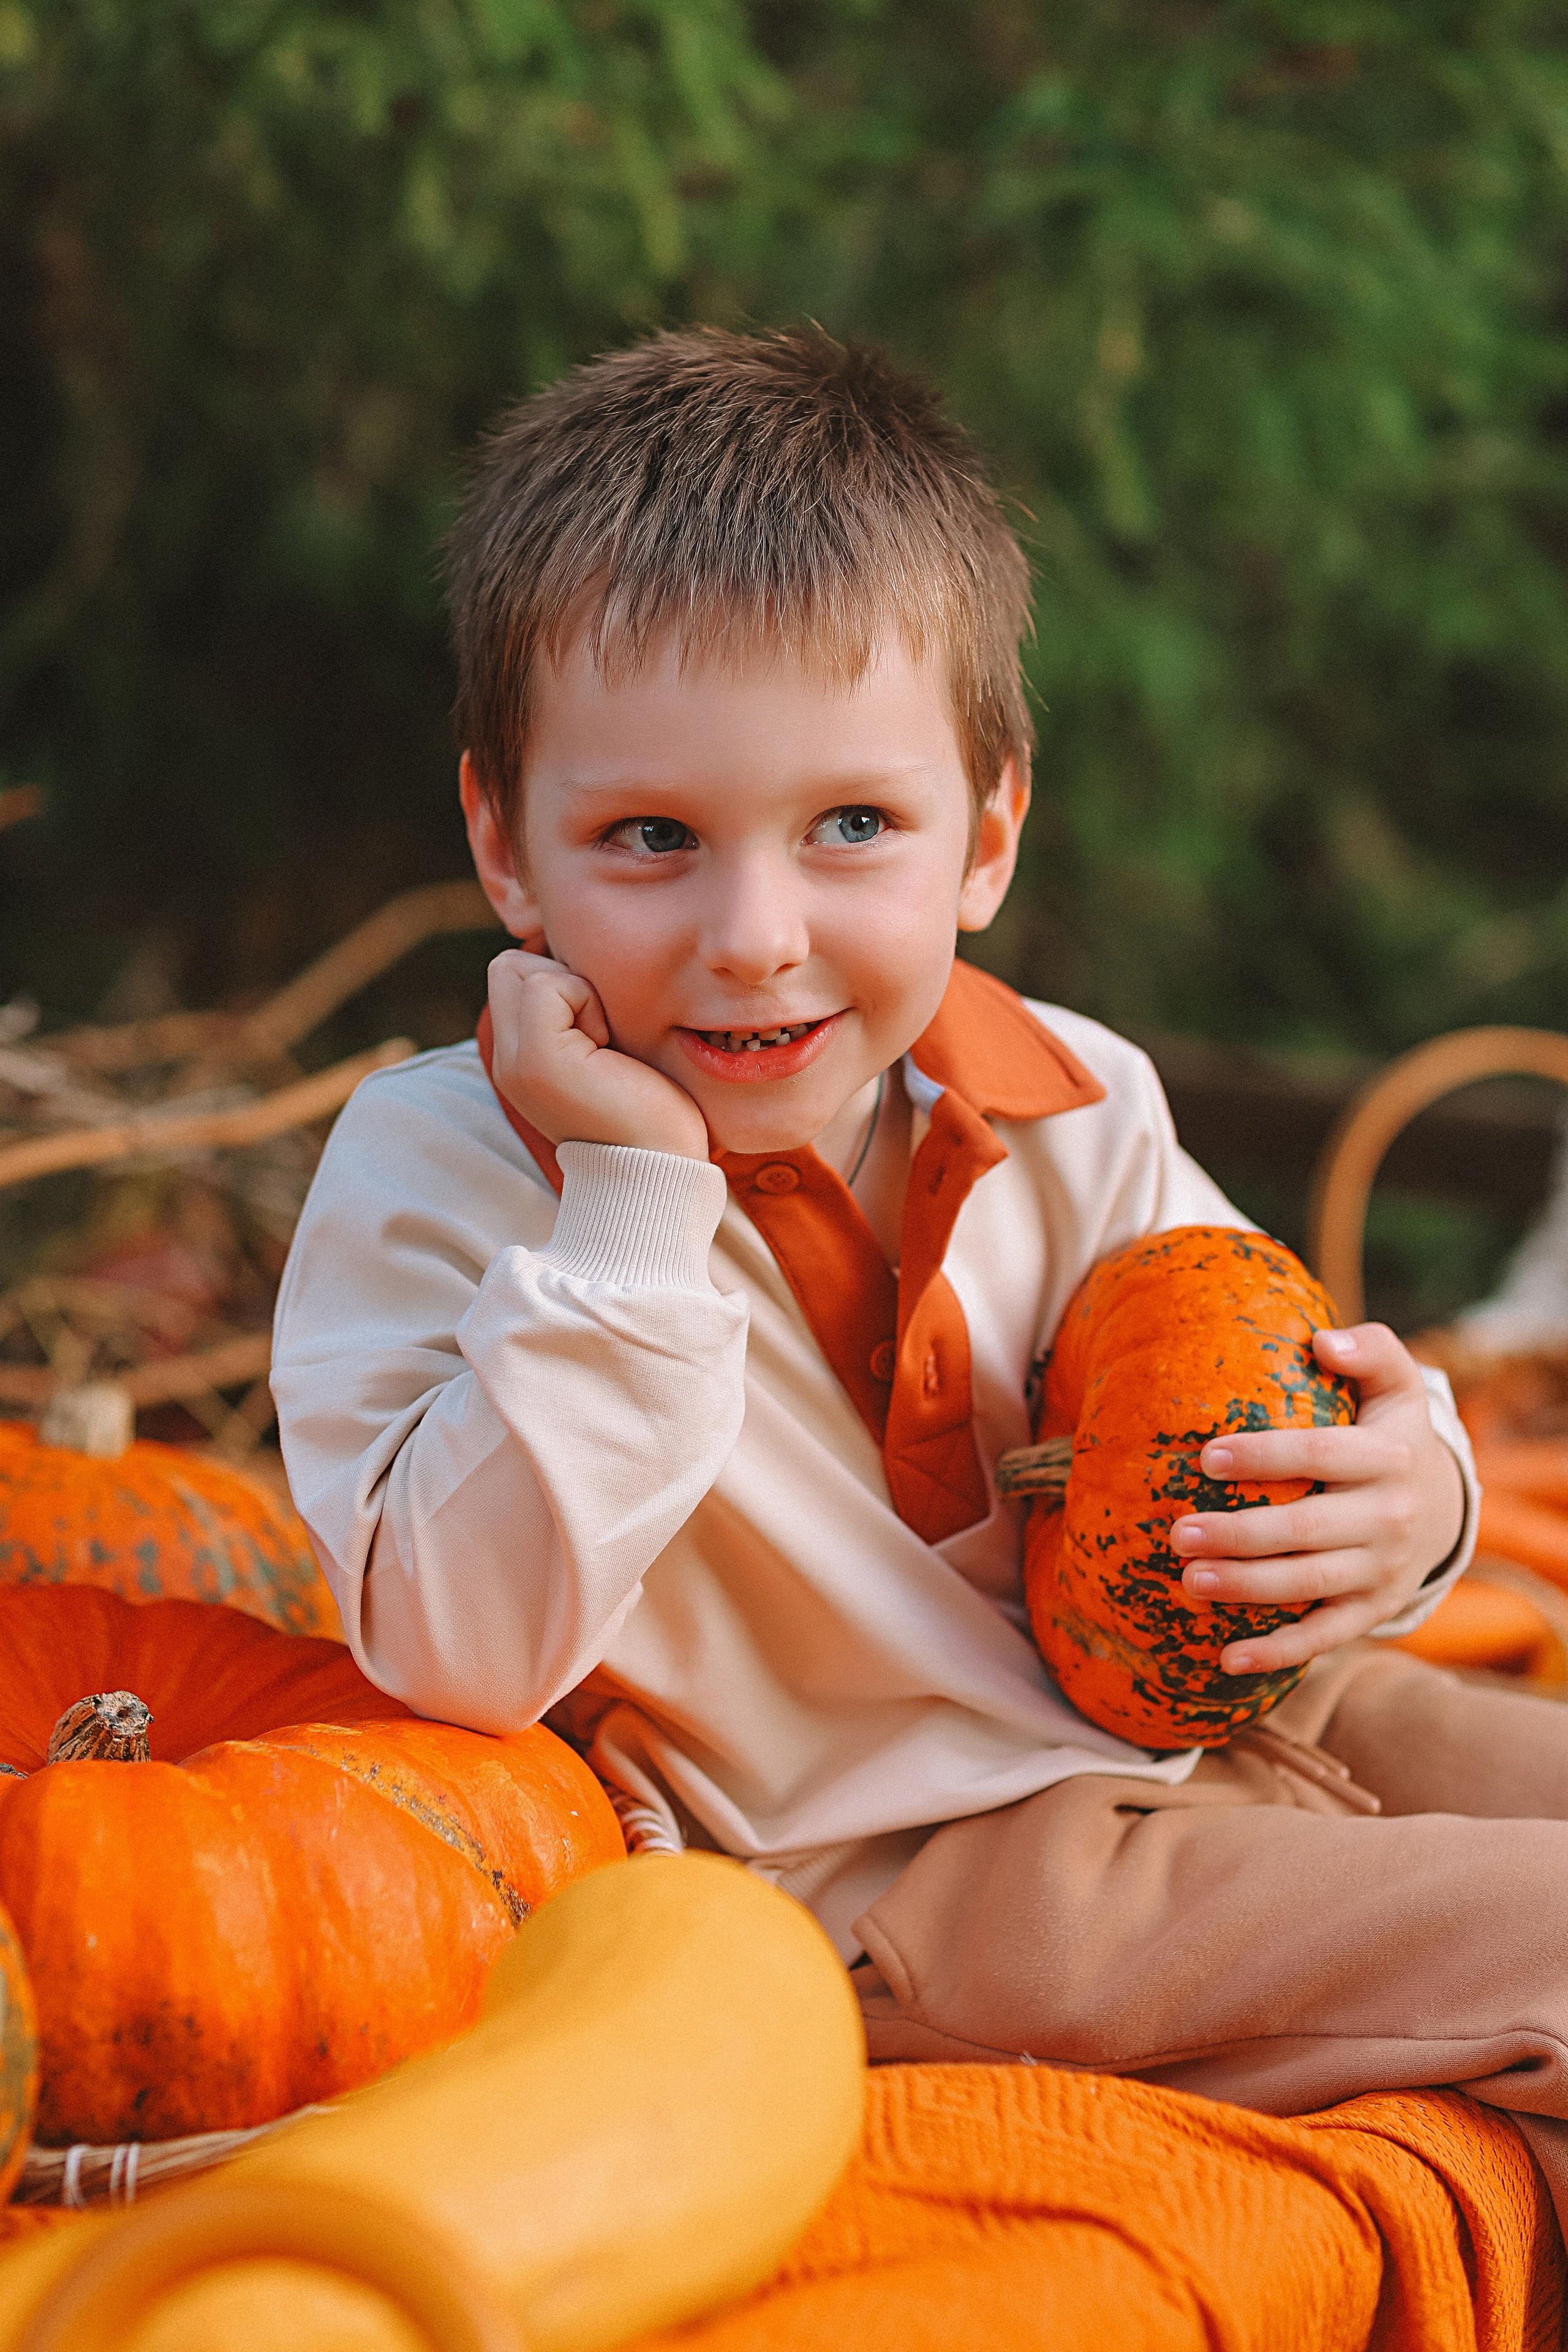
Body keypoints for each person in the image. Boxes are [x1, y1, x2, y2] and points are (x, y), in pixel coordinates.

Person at [272, 328, 1568, 2223]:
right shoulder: (451, 1171)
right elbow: (460, 1646)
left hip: (1228, 1720)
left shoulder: (1073, 1095)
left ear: (990, 831)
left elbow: (1258, 1378)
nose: (755, 937)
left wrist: (1419, 1498)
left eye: (852, 827)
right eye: (652, 839)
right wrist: (632, 1203)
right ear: (507, 845)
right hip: (913, 1873)